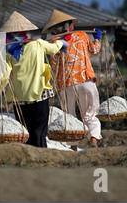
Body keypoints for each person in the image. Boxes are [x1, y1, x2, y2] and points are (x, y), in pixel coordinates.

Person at [0, 11, 66, 147]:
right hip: (40, 95)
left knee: (26, 134)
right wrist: (61, 43)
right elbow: (53, 49)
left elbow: (4, 77)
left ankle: (29, 162)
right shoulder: (38, 44)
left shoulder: (8, 52)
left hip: (20, 100)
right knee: (39, 133)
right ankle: (41, 161)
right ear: (26, 32)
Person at [42, 9, 102, 149]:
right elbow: (95, 50)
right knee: (89, 114)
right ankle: (93, 138)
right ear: (69, 26)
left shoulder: (54, 43)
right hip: (85, 81)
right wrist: (97, 38)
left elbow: (55, 67)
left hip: (67, 84)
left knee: (70, 115)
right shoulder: (82, 35)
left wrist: (57, 85)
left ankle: (73, 146)